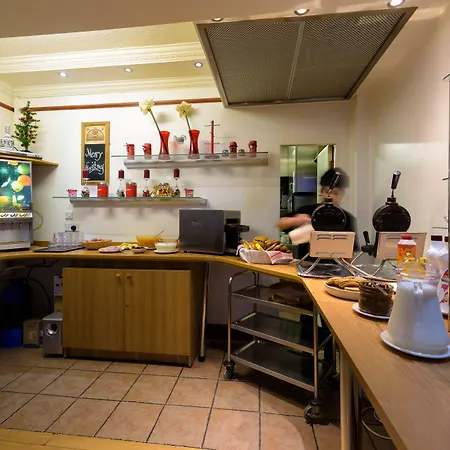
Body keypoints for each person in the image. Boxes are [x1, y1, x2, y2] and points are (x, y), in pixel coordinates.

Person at [277, 167, 359, 258]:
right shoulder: (308, 211)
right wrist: (296, 220)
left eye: (336, 193)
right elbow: (280, 223)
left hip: (337, 265)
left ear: (342, 195)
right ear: (321, 191)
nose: (331, 196)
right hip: (307, 264)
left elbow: (350, 253)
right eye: (327, 192)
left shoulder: (347, 218)